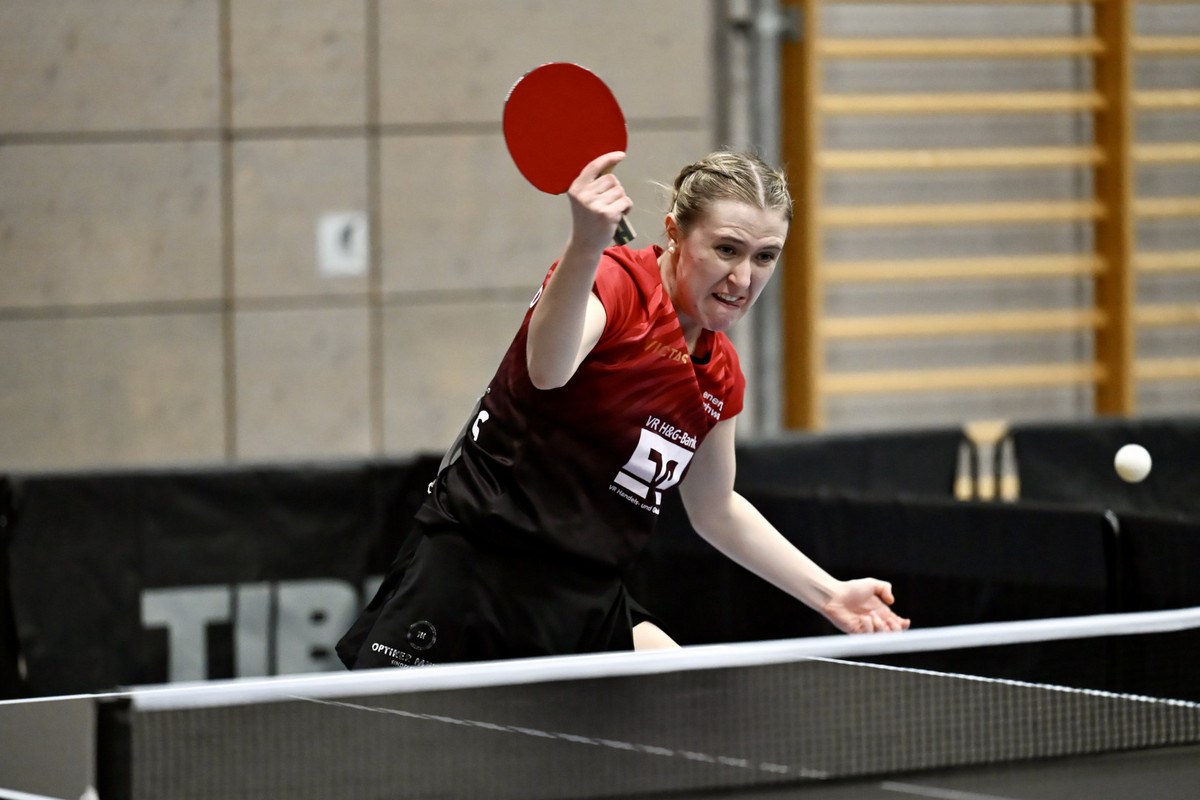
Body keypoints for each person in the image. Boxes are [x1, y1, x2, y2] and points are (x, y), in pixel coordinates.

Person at [337, 150, 909, 669]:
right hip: (474, 574)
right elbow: (548, 368)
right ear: (675, 234)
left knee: (687, 711)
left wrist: (830, 594)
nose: (743, 278)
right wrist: (586, 245)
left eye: (765, 256)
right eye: (726, 249)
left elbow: (716, 509)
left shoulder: (721, 373)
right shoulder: (612, 285)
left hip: (584, 595)